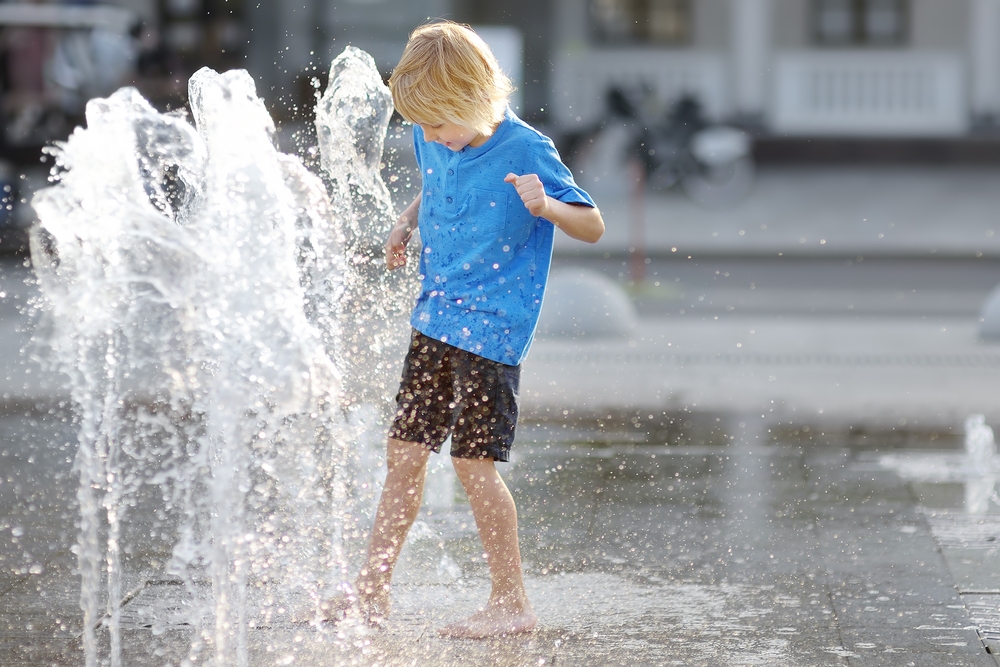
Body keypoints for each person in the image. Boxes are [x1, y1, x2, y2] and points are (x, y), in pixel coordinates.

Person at [324, 20, 604, 639]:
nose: (427, 138)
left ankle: (511, 602)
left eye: (436, 126)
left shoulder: (526, 150)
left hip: (492, 332)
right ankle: (371, 590)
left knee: (475, 466)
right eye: (420, 127)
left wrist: (548, 206)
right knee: (403, 455)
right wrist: (405, 220)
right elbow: (436, 183)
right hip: (435, 316)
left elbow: (593, 225)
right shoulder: (436, 138)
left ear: (473, 101)